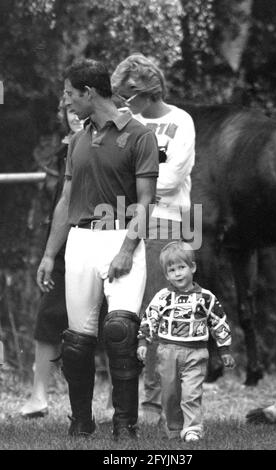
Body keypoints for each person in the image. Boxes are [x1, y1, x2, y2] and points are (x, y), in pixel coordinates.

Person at [36, 58, 159, 439]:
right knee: (77, 341)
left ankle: (125, 425)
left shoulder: (140, 136)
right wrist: (49, 254)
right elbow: (66, 201)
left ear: (89, 93)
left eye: (71, 94)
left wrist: (125, 249)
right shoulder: (77, 140)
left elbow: (145, 202)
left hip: (122, 237)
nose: (67, 102)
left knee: (120, 332)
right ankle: (81, 422)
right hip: (81, 241)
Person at [111, 53, 196, 423]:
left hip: (169, 226)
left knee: (162, 315)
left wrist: (139, 185)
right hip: (124, 225)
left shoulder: (181, 121)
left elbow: (173, 179)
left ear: (147, 92)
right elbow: (114, 173)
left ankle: (158, 403)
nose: (122, 103)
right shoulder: (125, 122)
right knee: (128, 318)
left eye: (128, 95)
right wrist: (141, 187)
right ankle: (132, 402)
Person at [20, 101, 83, 418]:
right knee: (48, 316)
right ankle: (39, 396)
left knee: (108, 325)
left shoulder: (107, 147)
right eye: (68, 110)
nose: (74, 116)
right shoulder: (63, 151)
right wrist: (48, 251)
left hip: (99, 240)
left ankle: (115, 402)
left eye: (78, 108)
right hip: (61, 243)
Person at [137, 240, 235, 442]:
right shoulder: (163, 297)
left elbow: (219, 322)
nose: (178, 274)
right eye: (172, 270)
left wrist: (224, 349)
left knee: (191, 393)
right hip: (167, 351)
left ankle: (192, 429)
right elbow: (150, 318)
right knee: (170, 394)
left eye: (182, 267)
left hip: (196, 352)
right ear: (166, 275)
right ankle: (174, 429)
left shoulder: (205, 298)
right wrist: (143, 343)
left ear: (192, 267)